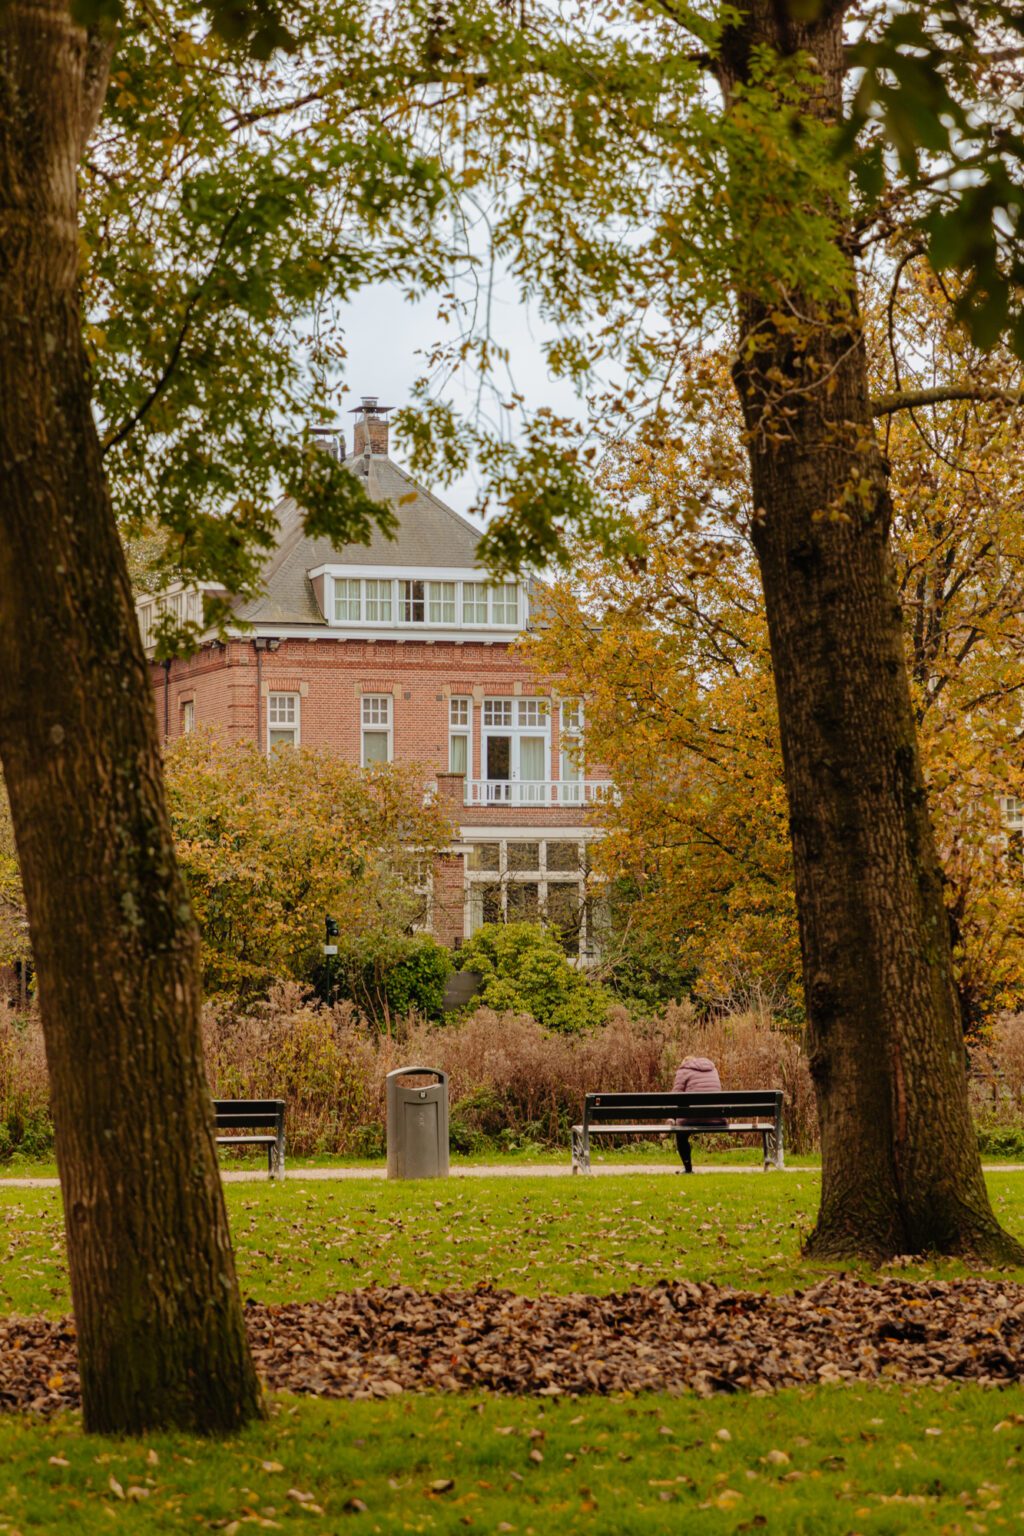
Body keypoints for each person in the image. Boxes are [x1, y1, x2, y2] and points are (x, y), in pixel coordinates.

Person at [672, 1054, 727, 1173]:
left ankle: (688, 1169)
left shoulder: (683, 1071)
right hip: (716, 1117)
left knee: (681, 1134)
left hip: (692, 1118)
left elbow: (675, 1098)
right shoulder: (712, 1069)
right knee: (684, 1123)